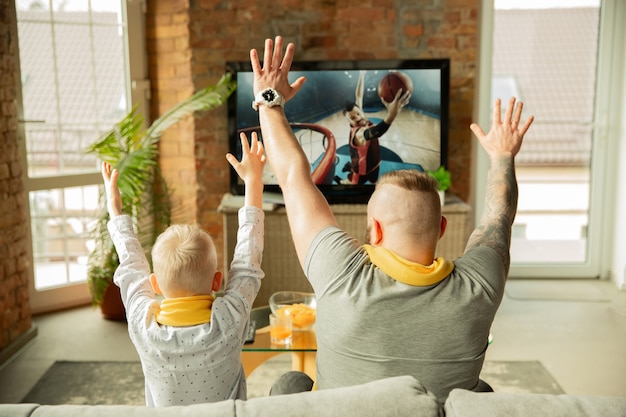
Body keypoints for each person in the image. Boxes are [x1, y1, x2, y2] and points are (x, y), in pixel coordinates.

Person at [249, 36, 534, 402]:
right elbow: (499, 217)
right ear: (442, 228)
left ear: (375, 229)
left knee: (291, 384)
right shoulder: (479, 286)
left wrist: (269, 101)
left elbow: (291, 176)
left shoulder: (341, 274)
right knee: (484, 392)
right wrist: (502, 156)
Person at [101, 132, 266, 407]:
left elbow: (131, 268)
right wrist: (253, 182)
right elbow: (248, 261)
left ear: (154, 285)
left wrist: (115, 210)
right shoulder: (230, 318)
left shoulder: (144, 324)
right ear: (217, 280)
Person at [339, 70, 411, 184]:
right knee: (350, 186)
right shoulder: (359, 132)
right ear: (349, 122)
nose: (357, 117)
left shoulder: (361, 118)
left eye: (358, 113)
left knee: (374, 183)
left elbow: (358, 96)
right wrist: (392, 113)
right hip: (361, 170)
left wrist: (361, 74)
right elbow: (377, 132)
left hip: (374, 165)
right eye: (352, 118)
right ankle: (344, 178)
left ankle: (349, 167)